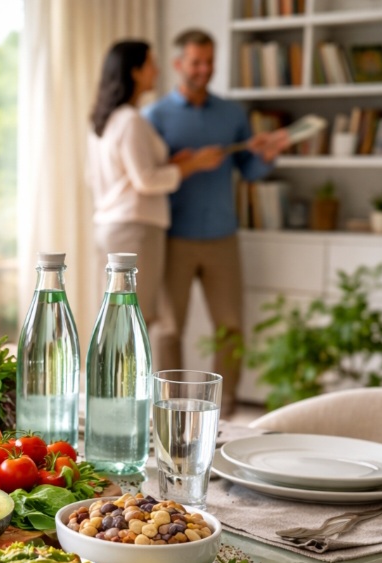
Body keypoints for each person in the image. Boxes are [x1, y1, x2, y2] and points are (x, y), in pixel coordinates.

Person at [144, 29, 289, 415]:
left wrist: (268, 154)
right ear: (178, 64)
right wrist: (190, 165)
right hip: (173, 238)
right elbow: (148, 176)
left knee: (231, 327)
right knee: (169, 330)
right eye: (196, 62)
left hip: (223, 237)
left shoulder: (232, 114)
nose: (204, 69)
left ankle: (222, 414)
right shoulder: (154, 116)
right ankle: (170, 413)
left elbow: (251, 171)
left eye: (209, 61)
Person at [88, 39, 224, 319]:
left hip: (112, 225)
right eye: (151, 64)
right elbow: (145, 181)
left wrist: (172, 164)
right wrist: (196, 164)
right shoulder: (130, 120)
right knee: (135, 319)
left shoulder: (105, 119)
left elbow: (124, 175)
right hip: (135, 229)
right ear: (135, 71)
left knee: (116, 318)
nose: (157, 71)